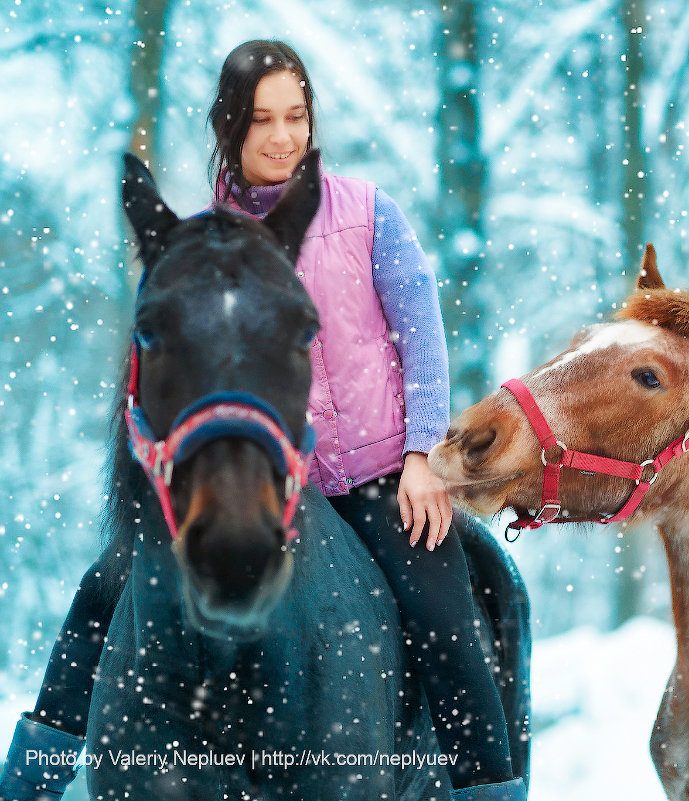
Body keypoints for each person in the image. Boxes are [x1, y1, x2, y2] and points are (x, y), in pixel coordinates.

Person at [0, 40, 522, 801]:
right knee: (107, 585)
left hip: (381, 479)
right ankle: (32, 776)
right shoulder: (205, 241)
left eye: (297, 116)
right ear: (230, 127)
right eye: (262, 119)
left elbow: (423, 336)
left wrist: (421, 456)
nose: (283, 136)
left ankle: (488, 790)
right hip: (264, 481)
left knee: (449, 627)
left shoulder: (369, 215)